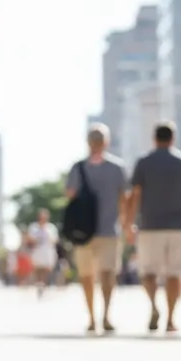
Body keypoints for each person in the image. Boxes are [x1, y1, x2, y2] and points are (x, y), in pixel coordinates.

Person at [122, 121, 181, 333]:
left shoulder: (143, 162)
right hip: (178, 227)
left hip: (149, 226)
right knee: (175, 274)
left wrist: (128, 224)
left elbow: (134, 195)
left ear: (154, 138)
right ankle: (171, 319)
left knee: (147, 272)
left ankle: (154, 306)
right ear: (173, 138)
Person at [65, 123, 129, 334]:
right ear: (107, 142)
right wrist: (126, 223)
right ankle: (105, 316)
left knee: (87, 275)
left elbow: (69, 194)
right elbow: (124, 199)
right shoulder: (117, 167)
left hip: (84, 231)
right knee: (107, 274)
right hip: (109, 229)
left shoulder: (78, 167)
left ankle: (93, 317)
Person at [26, 209, 59, 297]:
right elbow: (29, 238)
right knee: (38, 268)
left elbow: (55, 239)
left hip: (47, 251)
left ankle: (43, 284)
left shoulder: (51, 228)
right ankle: (39, 283)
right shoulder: (33, 227)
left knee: (46, 268)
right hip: (37, 251)